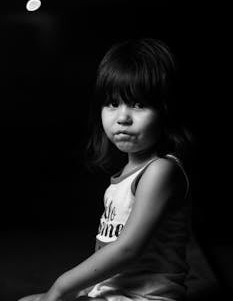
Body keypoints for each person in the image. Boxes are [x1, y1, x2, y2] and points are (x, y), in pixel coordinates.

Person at [18, 38, 193, 301]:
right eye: (112, 103)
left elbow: (127, 250)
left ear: (166, 110)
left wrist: (61, 286)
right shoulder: (125, 175)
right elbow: (108, 254)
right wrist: (84, 289)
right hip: (115, 293)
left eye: (138, 104)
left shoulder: (161, 170)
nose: (122, 117)